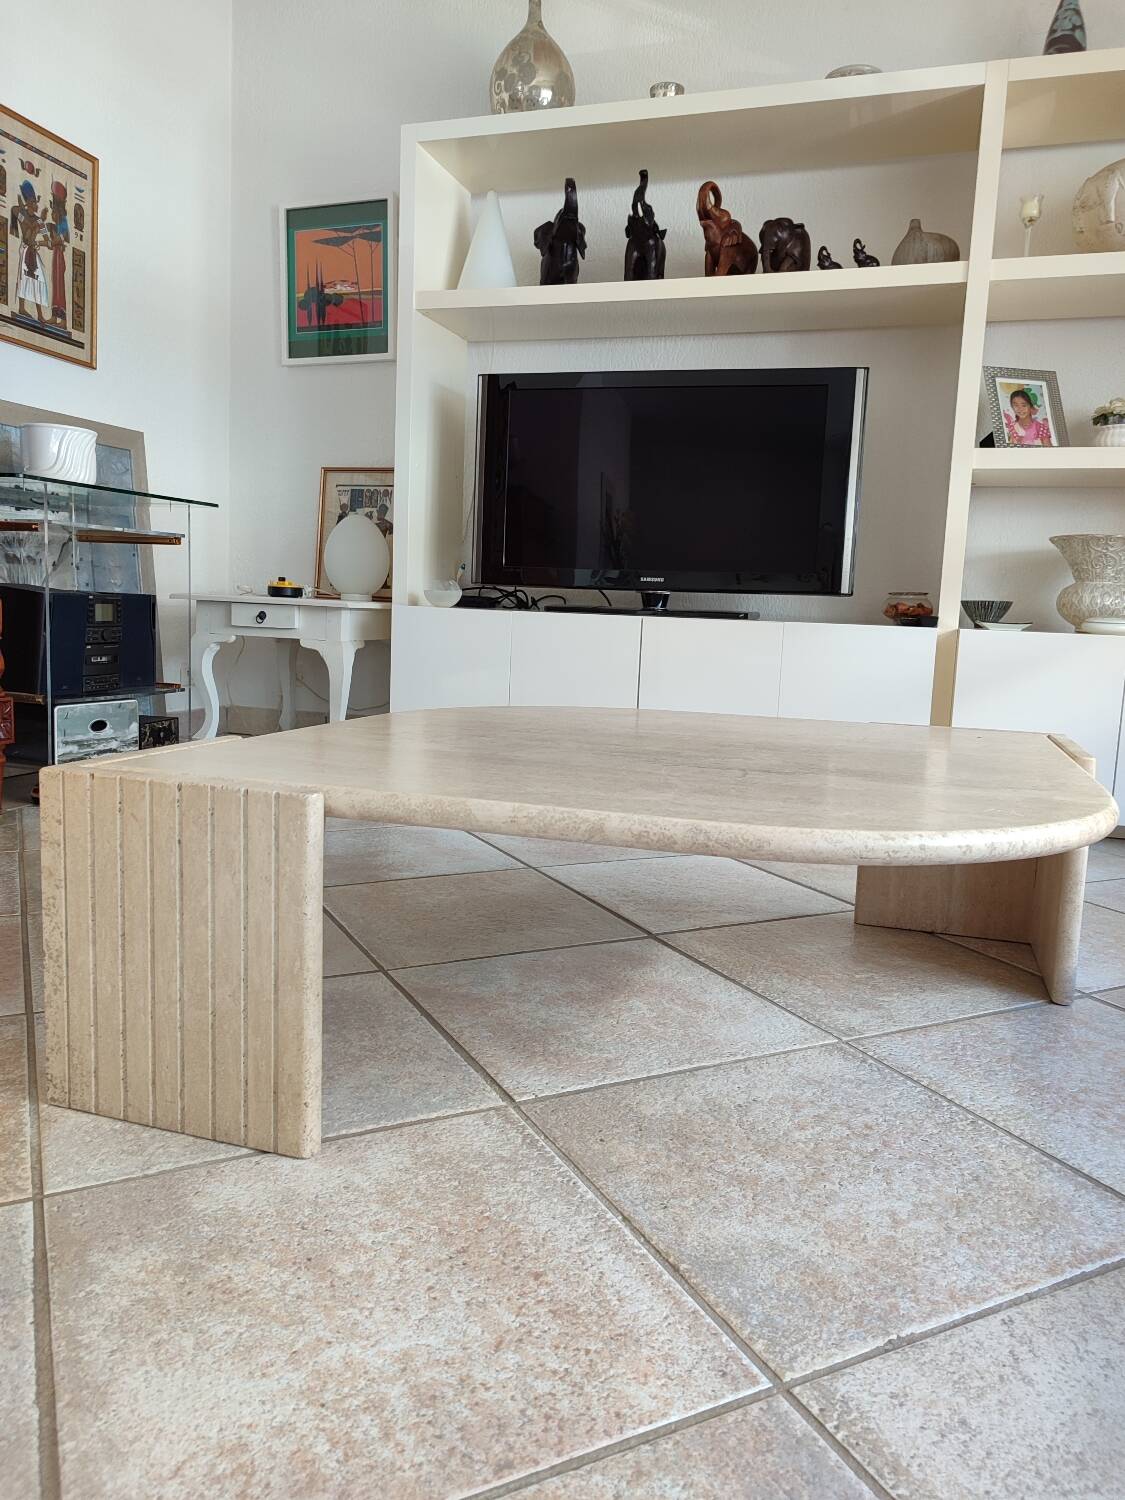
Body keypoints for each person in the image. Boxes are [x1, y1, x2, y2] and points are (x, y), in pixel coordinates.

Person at [48, 182, 70, 330]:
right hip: (56, 254)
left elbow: (65, 237)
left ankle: (63, 320)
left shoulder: (63, 221)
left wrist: (54, 239)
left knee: (60, 285)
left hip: (59, 255)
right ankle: (55, 316)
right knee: (55, 282)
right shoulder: (56, 223)